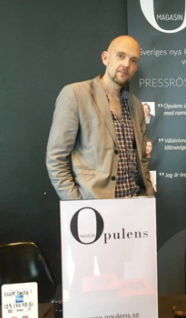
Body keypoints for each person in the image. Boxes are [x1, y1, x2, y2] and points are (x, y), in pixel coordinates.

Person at [46, 35, 154, 200]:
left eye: (133, 60)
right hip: (95, 208)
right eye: (120, 56)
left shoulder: (136, 105)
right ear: (105, 58)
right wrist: (78, 205)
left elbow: (142, 159)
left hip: (135, 207)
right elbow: (56, 159)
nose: (126, 64)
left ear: (136, 67)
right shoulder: (76, 95)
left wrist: (148, 196)